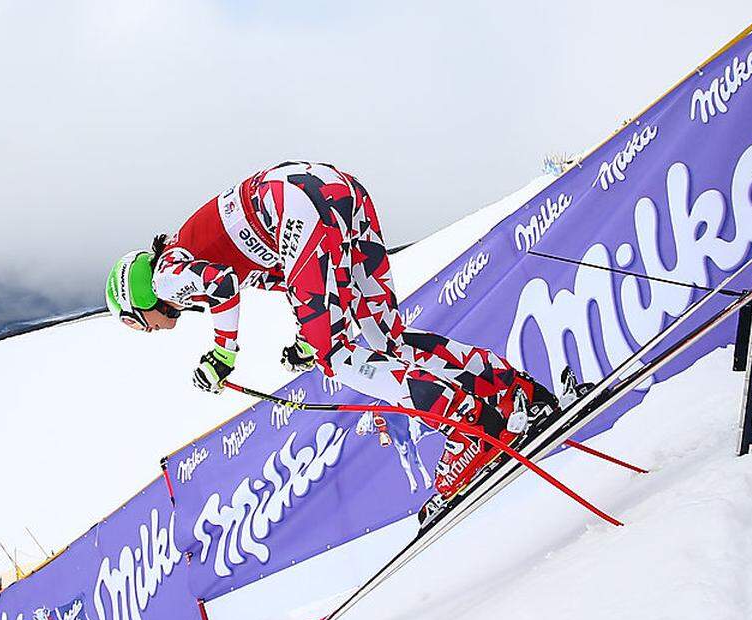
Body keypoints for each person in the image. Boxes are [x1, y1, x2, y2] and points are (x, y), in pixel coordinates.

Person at [105, 161, 582, 502]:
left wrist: (222, 355)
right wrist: (302, 339)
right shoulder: (189, 251)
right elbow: (292, 279)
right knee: (383, 341)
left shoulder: (170, 273)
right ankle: (510, 393)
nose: (145, 330)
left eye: (134, 321)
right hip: (337, 192)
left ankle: (467, 426)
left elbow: (223, 289)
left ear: (140, 299)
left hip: (300, 210)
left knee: (343, 358)